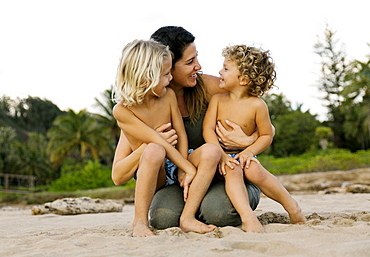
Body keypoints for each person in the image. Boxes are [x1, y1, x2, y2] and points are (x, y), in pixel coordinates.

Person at [147, 26, 262, 229]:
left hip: (227, 174)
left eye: (196, 58)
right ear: (167, 66)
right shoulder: (149, 102)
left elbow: (259, 114)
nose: (198, 66)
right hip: (180, 181)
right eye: (190, 62)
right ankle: (193, 212)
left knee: (220, 214)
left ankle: (211, 208)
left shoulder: (211, 87)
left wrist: (250, 141)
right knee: (163, 219)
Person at [112, 39, 214, 237]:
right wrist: (186, 166)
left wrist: (185, 168)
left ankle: (188, 216)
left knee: (211, 151)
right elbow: (158, 143)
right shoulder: (123, 111)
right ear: (146, 79)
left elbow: (181, 135)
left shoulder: (167, 96)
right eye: (166, 75)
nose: (170, 80)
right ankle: (140, 220)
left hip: (178, 159)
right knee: (154, 149)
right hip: (155, 169)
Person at [203, 45, 306, 232]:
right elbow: (207, 129)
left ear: (243, 79)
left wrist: (249, 151)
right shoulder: (217, 100)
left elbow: (267, 135)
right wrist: (220, 154)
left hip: (244, 154)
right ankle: (247, 218)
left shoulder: (258, 105)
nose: (220, 71)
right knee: (232, 170)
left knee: (254, 171)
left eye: (226, 69)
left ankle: (292, 206)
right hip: (218, 155)